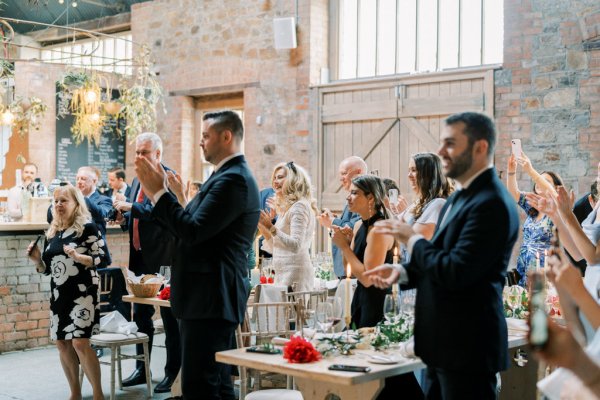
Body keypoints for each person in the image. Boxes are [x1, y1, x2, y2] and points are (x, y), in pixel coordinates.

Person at [366, 112, 520, 400]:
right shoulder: (461, 196)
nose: (440, 152)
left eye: (450, 143)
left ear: (480, 147)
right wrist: (402, 273)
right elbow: (438, 255)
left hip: (469, 346)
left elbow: (456, 271)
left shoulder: (492, 202)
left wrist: (409, 236)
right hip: (443, 345)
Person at [134, 110, 260, 399]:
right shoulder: (223, 176)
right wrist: (174, 198)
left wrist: (159, 194)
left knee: (199, 387)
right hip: (207, 297)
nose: (201, 142)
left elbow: (192, 231)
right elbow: (190, 229)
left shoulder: (234, 180)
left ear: (226, 136)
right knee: (217, 385)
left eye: (205, 135)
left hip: (211, 297)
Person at [331, 174, 424, 399]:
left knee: (381, 367)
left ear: (370, 198)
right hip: (361, 300)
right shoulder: (358, 225)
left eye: (355, 193)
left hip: (377, 302)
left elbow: (368, 278)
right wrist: (348, 244)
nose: (348, 197)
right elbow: (349, 270)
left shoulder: (380, 228)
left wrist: (344, 247)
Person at [112, 133, 181, 393]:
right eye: (137, 152)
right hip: (139, 257)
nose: (139, 157)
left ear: (158, 155)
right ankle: (142, 369)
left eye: (145, 152)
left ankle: (172, 373)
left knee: (169, 317)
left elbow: (162, 214)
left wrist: (132, 207)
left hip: (164, 258)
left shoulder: (168, 178)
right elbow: (137, 217)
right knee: (141, 316)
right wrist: (123, 220)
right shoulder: (134, 181)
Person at [26, 184, 107, 400]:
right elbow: (47, 270)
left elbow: (104, 258)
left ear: (76, 204)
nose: (59, 205)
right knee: (62, 343)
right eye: (56, 201)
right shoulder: (52, 232)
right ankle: (75, 393)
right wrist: (37, 260)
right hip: (59, 295)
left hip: (83, 294)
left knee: (80, 342)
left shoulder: (88, 228)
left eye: (64, 200)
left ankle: (98, 394)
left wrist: (80, 258)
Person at [258, 162, 317, 291]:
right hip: (282, 274)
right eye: (274, 178)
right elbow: (277, 247)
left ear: (293, 180)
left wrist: (271, 227)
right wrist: (263, 225)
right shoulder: (287, 209)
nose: (275, 181)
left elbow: (295, 245)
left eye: (280, 177)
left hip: (296, 275)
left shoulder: (299, 207)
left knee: (295, 312)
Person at [507, 152, 563, 286]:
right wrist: (511, 171)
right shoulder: (532, 207)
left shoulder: (556, 209)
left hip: (545, 275)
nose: (538, 182)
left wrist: (530, 171)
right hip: (525, 272)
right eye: (538, 179)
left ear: (555, 187)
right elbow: (514, 193)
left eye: (545, 181)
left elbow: (553, 194)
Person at [393, 152, 452, 260]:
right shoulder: (416, 204)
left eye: (414, 170)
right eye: (409, 170)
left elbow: (415, 241)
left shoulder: (438, 204)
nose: (409, 175)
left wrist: (400, 220)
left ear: (428, 175)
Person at [318, 156, 368, 278]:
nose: (341, 178)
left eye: (344, 173)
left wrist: (332, 221)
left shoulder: (364, 198)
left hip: (356, 269)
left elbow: (357, 227)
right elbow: (347, 223)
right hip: (345, 269)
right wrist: (334, 221)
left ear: (358, 172)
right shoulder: (351, 198)